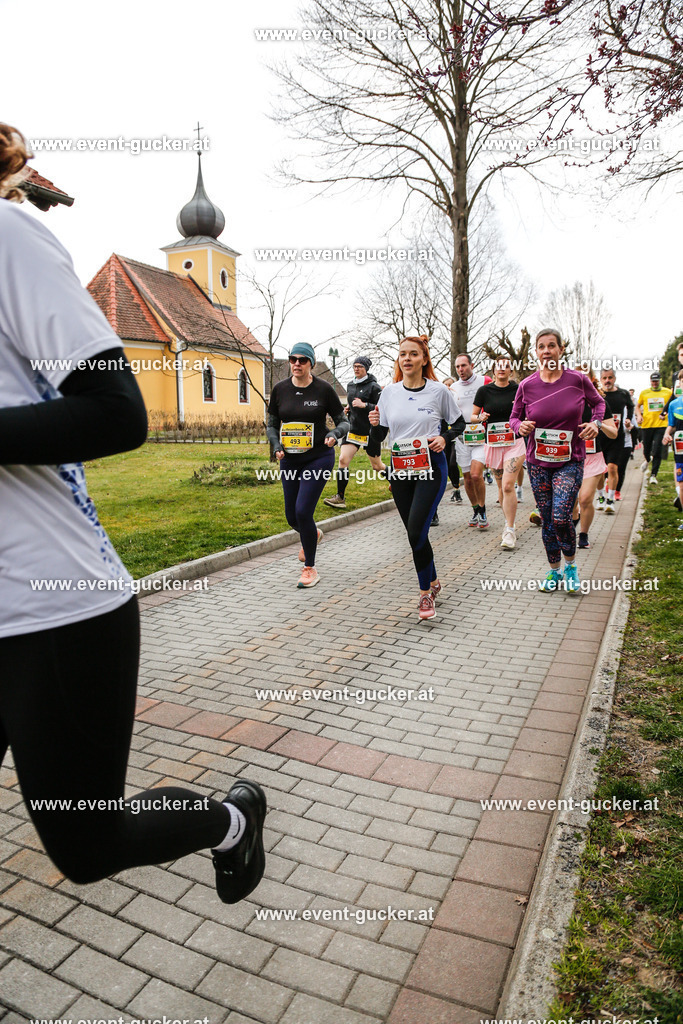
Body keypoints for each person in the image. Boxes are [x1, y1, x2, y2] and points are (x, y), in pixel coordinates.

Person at [0, 123, 266, 900]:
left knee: (86, 844)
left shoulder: (10, 238)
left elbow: (117, 413)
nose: (201, 269)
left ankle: (230, 821)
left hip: (50, 609)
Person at [369, 335, 463, 620]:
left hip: (430, 468)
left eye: (413, 354)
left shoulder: (438, 391)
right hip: (400, 471)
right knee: (416, 534)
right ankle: (434, 581)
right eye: (402, 354)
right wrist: (373, 425)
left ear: (424, 359)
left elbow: (458, 423)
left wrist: (444, 438)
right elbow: (378, 439)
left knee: (415, 531)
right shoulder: (389, 393)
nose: (407, 359)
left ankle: (425, 595)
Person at [510, 329, 605, 593]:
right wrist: (521, 426)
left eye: (552, 346)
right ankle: (554, 571)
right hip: (538, 462)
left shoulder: (577, 380)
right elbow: (513, 418)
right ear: (536, 352)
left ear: (561, 350)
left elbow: (599, 404)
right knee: (548, 520)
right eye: (542, 347)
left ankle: (571, 567)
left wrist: (595, 423)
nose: (547, 351)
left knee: (562, 517)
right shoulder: (526, 385)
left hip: (570, 460)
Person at [267, 343, 349, 588]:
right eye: (293, 359)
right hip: (290, 459)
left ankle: (309, 568)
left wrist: (335, 433)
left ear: (311, 363)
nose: (297, 364)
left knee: (303, 511)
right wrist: (276, 444)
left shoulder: (324, 390)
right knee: (292, 516)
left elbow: (343, 421)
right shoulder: (280, 390)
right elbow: (271, 424)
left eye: (303, 360)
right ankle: (312, 534)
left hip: (319, 456)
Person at [472, 357, 526, 549]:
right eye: (498, 366)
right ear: (493, 371)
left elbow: (529, 412)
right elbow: (472, 416)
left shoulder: (519, 389)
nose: (502, 369)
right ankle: (507, 522)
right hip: (494, 443)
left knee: (509, 486)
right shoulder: (484, 391)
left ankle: (510, 530)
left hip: (515, 442)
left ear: (511, 371)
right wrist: (481, 417)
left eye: (506, 366)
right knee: (502, 487)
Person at [324, 355, 384, 510]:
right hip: (354, 430)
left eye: (360, 366)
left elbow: (383, 409)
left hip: (370, 432)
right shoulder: (350, 385)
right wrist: (349, 409)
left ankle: (397, 483)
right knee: (343, 460)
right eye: (355, 366)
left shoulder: (374, 387)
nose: (356, 369)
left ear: (366, 369)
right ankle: (340, 497)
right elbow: (352, 402)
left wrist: (365, 405)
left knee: (377, 467)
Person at [575, 369, 618, 549]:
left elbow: (614, 433)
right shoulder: (563, 401)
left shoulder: (599, 403)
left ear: (591, 380)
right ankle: (573, 524)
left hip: (592, 457)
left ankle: (583, 534)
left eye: (584, 377)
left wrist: (598, 424)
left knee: (585, 499)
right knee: (570, 502)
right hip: (568, 457)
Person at [450, 353, 489, 528]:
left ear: (471, 365)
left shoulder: (484, 381)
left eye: (464, 366)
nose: (461, 370)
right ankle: (475, 509)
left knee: (476, 474)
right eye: (458, 367)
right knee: (466, 477)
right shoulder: (453, 387)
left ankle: (482, 509)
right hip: (462, 435)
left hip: (480, 434)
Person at [596, 367, 634, 514]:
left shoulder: (623, 394)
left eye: (610, 377)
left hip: (616, 438)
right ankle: (600, 497)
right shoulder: (599, 395)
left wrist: (628, 419)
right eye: (604, 378)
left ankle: (610, 500)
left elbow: (630, 406)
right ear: (600, 380)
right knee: (599, 471)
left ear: (615, 379)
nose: (607, 381)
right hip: (599, 438)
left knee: (612, 467)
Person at [637, 372, 671, 484]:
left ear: (660, 380)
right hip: (647, 425)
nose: (654, 383)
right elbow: (637, 406)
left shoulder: (667, 392)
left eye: (656, 381)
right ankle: (647, 460)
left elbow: (672, 404)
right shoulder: (644, 393)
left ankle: (653, 475)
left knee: (657, 450)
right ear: (650, 381)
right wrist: (639, 415)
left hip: (661, 425)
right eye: (653, 381)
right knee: (646, 449)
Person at [663, 369, 683, 520]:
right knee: (681, 483)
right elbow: (671, 425)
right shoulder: (674, 404)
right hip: (680, 447)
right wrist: (666, 434)